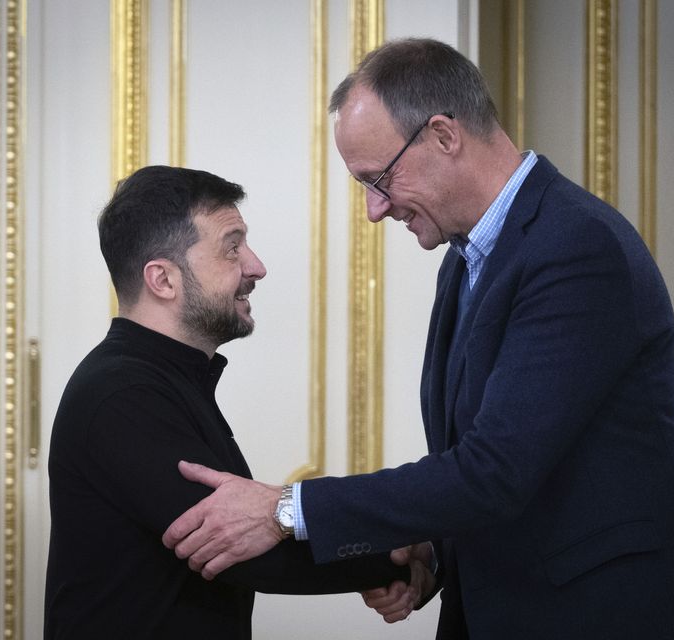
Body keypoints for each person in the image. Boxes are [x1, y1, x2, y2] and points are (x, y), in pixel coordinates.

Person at [160, 39, 674, 639]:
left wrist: (285, 509)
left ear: (443, 135)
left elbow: (496, 471)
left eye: (379, 178)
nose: (375, 209)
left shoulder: (577, 248)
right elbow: (503, 461)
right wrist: (434, 551)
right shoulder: (466, 257)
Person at [44, 165, 420, 640]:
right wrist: (397, 557)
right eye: (232, 247)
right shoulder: (123, 393)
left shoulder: (162, 378)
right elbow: (243, 551)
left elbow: (250, 528)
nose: (256, 266)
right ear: (163, 279)